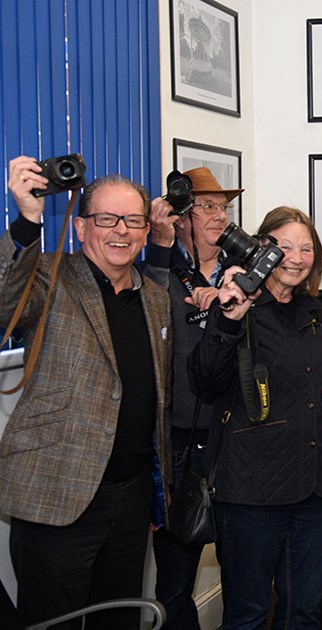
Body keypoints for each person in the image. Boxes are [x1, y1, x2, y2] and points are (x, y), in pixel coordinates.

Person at [0, 156, 172, 627]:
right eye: (106, 219)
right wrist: (25, 220)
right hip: (59, 496)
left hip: (132, 501)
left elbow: (158, 399)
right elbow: (4, 303)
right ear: (80, 227)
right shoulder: (50, 275)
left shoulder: (155, 298)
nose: (121, 230)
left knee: (118, 618)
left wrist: (159, 493)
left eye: (133, 220)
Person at [187, 206, 322, 629]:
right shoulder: (237, 307)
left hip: (312, 487)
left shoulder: (315, 313)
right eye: (284, 247)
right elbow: (205, 379)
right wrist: (227, 319)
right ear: (261, 250)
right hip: (251, 489)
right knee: (248, 613)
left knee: (304, 610)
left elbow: (310, 379)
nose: (296, 258)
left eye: (306, 249)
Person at [143, 167, 241, 630]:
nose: (219, 216)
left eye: (223, 207)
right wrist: (159, 247)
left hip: (239, 433)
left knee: (244, 562)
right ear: (182, 215)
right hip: (180, 437)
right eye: (207, 206)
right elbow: (147, 316)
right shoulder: (162, 268)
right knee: (175, 574)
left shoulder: (245, 265)